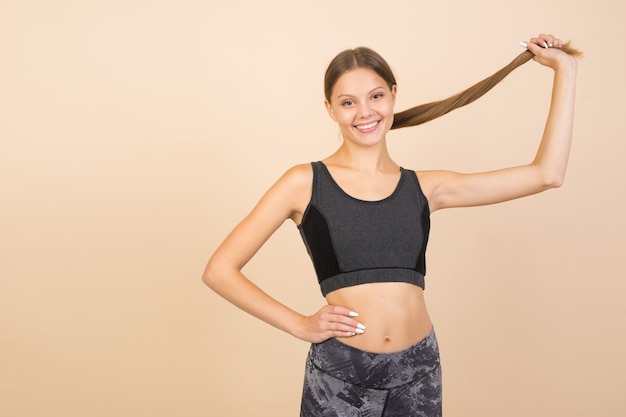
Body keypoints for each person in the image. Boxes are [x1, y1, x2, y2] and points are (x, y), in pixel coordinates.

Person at [203, 33, 579, 417]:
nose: (365, 112)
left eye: (376, 96)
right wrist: (299, 324)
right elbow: (219, 271)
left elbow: (547, 174)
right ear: (331, 109)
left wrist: (565, 70)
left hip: (419, 373)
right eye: (348, 102)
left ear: (393, 95)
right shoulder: (303, 183)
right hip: (341, 375)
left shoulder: (426, 187)